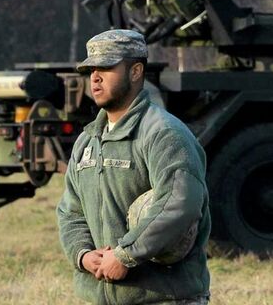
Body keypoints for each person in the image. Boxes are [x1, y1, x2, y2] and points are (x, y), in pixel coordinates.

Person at [56, 29, 212, 305]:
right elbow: (71, 210)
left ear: (136, 71)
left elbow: (180, 204)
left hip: (166, 298)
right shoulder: (87, 141)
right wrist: (83, 255)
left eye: (106, 67)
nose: (95, 76)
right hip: (101, 298)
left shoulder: (164, 134)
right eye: (91, 68)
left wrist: (126, 255)